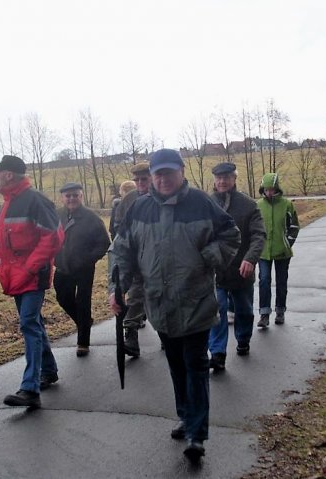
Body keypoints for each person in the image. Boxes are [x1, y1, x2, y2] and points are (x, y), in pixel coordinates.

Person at [109, 149, 240, 461]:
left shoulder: (200, 202)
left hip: (195, 301)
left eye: (169, 172)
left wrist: (208, 257)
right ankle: (186, 415)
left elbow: (231, 235)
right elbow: (121, 250)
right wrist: (117, 288)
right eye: (158, 173)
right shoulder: (139, 207)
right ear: (152, 176)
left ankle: (197, 433)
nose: (163, 179)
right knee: (176, 364)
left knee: (195, 365)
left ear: (181, 172)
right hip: (159, 304)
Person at [0, 155, 65, 409]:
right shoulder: (5, 206)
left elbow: (54, 237)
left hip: (33, 276)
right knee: (33, 323)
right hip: (14, 276)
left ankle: (30, 388)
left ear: (9, 174)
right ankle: (49, 370)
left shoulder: (35, 201)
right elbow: (0, 242)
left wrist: (31, 267)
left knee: (28, 324)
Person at [208, 163, 265, 371]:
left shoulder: (249, 205)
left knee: (244, 310)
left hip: (242, 269)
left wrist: (250, 259)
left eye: (226, 177)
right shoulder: (207, 204)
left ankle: (243, 340)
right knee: (217, 310)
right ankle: (217, 353)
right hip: (216, 270)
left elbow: (259, 235)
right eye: (219, 178)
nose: (222, 181)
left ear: (234, 179)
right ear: (214, 180)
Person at [54, 182, 111, 357]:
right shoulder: (57, 215)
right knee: (63, 298)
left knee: (83, 301)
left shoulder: (91, 218)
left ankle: (83, 343)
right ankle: (84, 321)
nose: (71, 199)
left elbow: (104, 243)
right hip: (63, 265)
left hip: (84, 268)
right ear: (62, 198)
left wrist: (87, 259)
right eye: (68, 196)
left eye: (75, 195)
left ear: (81, 196)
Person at [111, 162, 152, 357]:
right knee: (135, 296)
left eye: (144, 178)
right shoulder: (129, 200)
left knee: (162, 297)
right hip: (136, 259)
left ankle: (168, 334)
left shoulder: (163, 198)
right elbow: (120, 229)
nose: (141, 183)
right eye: (137, 180)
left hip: (160, 260)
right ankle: (131, 336)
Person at [256, 173, 299, 328]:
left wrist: (287, 242)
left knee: (281, 282)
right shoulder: (259, 205)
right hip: (263, 252)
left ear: (277, 189)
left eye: (272, 190)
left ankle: (280, 311)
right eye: (266, 190)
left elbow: (294, 226)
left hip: (283, 252)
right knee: (264, 281)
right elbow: (255, 227)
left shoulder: (287, 204)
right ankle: (264, 314)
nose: (269, 192)